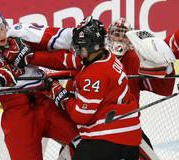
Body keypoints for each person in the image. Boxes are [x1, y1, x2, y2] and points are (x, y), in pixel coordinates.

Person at [0, 8, 83, 160]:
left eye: (2, 27)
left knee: (83, 143)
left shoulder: (21, 33)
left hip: (46, 100)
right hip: (17, 114)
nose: (1, 34)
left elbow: (56, 37)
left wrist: (78, 33)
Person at [40, 17, 142, 160]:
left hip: (107, 140)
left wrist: (58, 93)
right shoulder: (109, 58)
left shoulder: (94, 73)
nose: (77, 51)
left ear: (92, 47)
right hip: (130, 138)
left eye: (80, 47)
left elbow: (80, 115)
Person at [106, 18, 176, 160]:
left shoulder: (134, 58)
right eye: (116, 33)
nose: (120, 38)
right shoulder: (97, 57)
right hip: (99, 129)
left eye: (124, 34)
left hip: (129, 126)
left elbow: (160, 88)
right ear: (108, 35)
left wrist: (166, 67)